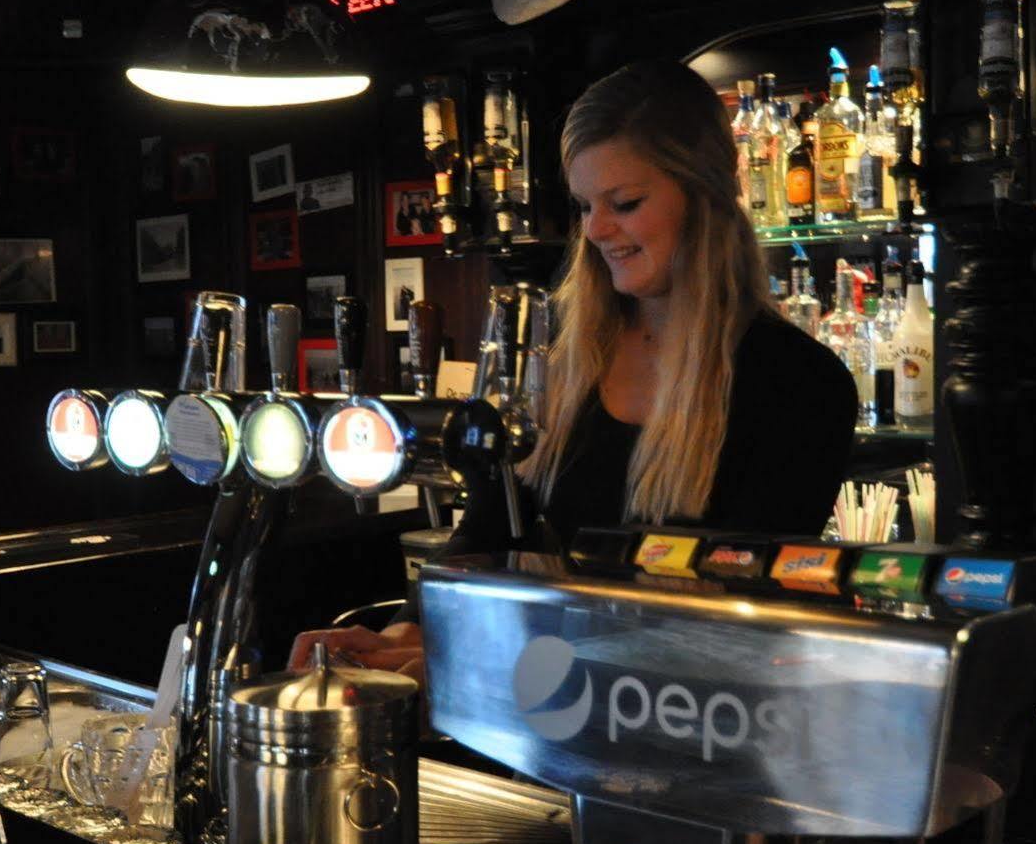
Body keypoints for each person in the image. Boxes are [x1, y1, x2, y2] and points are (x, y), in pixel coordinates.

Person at [289, 60, 858, 679]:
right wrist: (409, 629)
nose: (596, 229)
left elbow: (734, 620)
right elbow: (492, 520)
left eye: (626, 203)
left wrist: (478, 659)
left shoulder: (798, 383)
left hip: (692, 727)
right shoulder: (558, 352)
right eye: (585, 205)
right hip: (540, 710)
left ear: (708, 196)